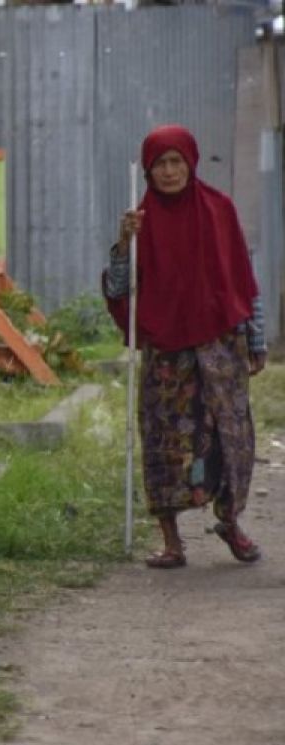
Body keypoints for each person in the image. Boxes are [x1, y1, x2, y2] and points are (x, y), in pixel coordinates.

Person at [104, 125, 267, 569]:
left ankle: (230, 522)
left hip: (220, 346)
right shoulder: (138, 222)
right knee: (165, 442)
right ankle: (172, 541)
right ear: (149, 172)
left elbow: (244, 279)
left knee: (231, 438)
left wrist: (256, 337)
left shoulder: (219, 210)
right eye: (160, 164)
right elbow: (121, 288)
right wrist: (124, 243)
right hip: (166, 352)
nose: (170, 172)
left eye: (177, 162)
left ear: (192, 163)